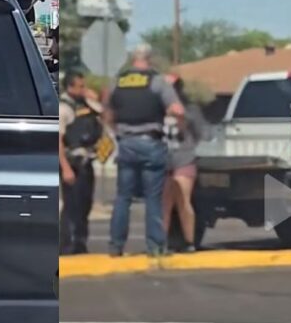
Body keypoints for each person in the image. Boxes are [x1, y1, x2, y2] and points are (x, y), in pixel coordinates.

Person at [105, 44, 185, 257]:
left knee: (123, 197)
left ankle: (116, 246)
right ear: (150, 59)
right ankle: (155, 247)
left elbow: (108, 112)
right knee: (153, 198)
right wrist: (179, 123)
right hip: (151, 142)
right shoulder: (158, 81)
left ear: (133, 59)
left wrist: (117, 134)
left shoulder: (118, 81)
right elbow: (178, 110)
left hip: (126, 143)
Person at [59, 70, 103, 255]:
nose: (84, 89)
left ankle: (80, 244)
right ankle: (66, 245)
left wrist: (96, 99)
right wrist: (66, 168)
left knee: (85, 205)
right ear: (70, 87)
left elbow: (104, 114)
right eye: (80, 86)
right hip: (72, 163)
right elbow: (57, 141)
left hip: (86, 162)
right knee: (72, 206)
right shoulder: (63, 108)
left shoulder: (84, 104)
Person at [163, 75, 206, 253]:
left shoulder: (190, 109)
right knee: (164, 203)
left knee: (183, 201)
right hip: (162, 160)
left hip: (184, 158)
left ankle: (189, 241)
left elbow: (200, 133)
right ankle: (161, 241)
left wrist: (182, 119)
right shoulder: (155, 109)